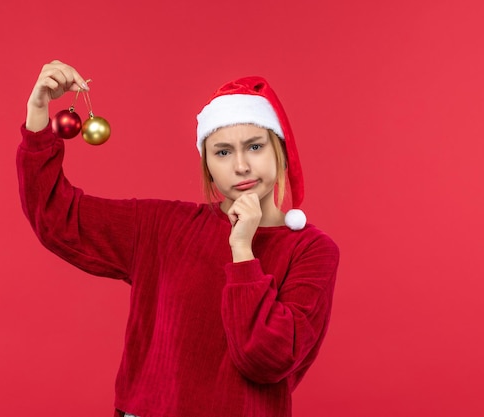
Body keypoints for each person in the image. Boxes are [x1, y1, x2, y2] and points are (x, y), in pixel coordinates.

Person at [17, 60, 339, 417]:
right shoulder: (163, 226)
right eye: (223, 152)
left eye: (255, 146)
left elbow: (266, 358)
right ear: (207, 165)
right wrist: (38, 114)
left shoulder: (312, 251)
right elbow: (57, 219)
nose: (242, 166)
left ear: (279, 149)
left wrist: (242, 251)